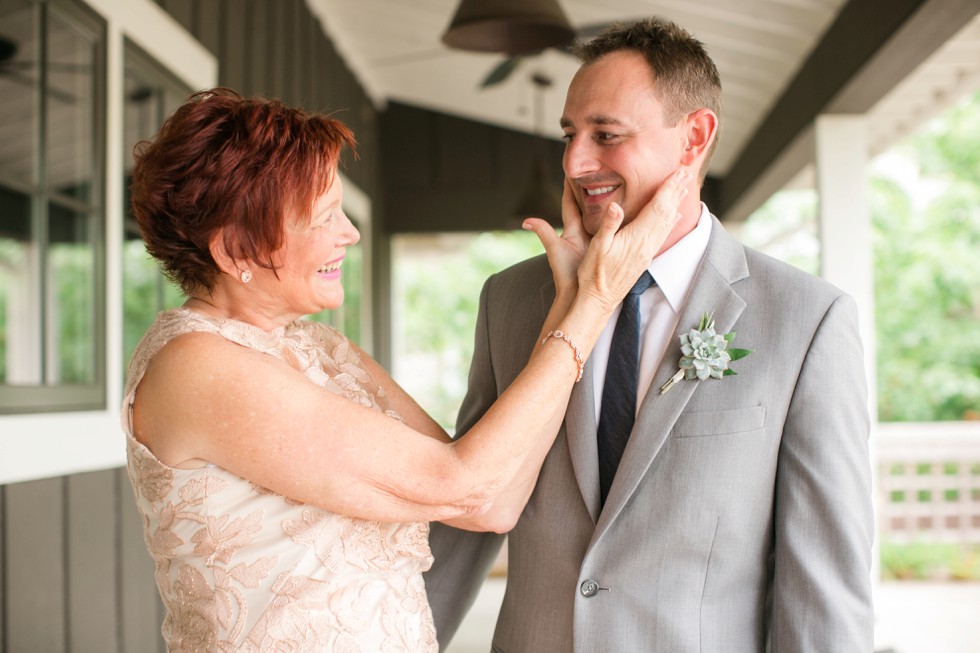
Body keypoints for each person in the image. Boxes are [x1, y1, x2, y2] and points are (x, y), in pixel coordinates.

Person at [122, 87, 688, 652]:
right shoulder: (195, 367)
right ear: (234, 251)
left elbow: (491, 502)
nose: (351, 233)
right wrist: (595, 302)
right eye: (323, 217)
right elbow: (461, 483)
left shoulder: (322, 347)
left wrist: (571, 300)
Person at [424, 17, 875, 652]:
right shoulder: (513, 300)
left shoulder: (806, 320)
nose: (577, 162)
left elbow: (824, 587)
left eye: (606, 135)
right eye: (570, 135)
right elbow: (464, 515)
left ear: (694, 137)